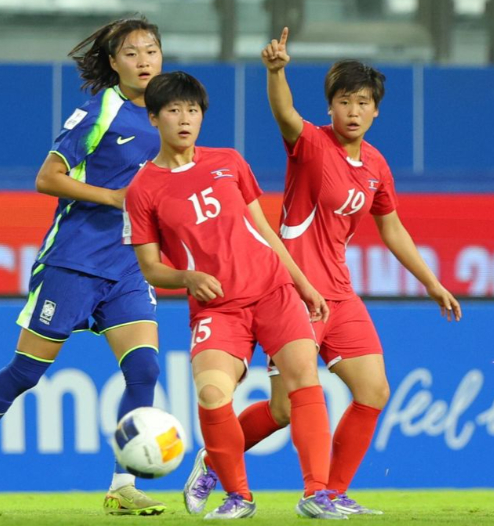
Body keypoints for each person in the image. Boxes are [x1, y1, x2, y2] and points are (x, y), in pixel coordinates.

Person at [183, 28, 463, 517]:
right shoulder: (311, 144)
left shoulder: (375, 165)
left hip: (340, 291)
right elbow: (285, 114)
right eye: (344, 101)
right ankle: (215, 458)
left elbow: (392, 229)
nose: (353, 111)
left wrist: (432, 283)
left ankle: (329, 493)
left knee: (374, 390)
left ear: (376, 111)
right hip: (291, 289)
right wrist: (276, 73)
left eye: (363, 103)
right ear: (330, 107)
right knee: (283, 408)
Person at [0, 17, 167, 516]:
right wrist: (112, 196)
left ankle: (122, 485)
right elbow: (47, 178)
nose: (144, 60)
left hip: (129, 266)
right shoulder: (100, 111)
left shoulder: (167, 114)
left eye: (151, 50)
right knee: (27, 372)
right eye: (131, 53)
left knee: (145, 368)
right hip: (74, 261)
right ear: (113, 63)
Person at [124, 70, 346, 520]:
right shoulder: (142, 189)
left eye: (193, 110)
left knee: (304, 380)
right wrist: (186, 277)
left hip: (273, 290)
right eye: (173, 110)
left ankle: (316, 494)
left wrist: (303, 284)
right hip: (218, 307)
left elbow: (264, 230)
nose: (185, 119)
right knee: (211, 392)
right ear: (153, 118)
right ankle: (238, 496)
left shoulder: (228, 160)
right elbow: (150, 267)